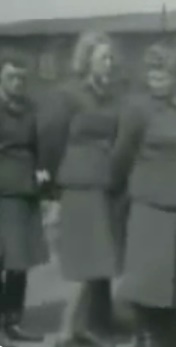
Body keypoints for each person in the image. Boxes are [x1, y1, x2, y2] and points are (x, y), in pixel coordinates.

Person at [114, 43, 176, 347]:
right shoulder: (136, 108)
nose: (155, 80)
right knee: (152, 285)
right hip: (153, 209)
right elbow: (122, 155)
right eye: (151, 73)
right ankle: (149, 337)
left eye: (163, 74)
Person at [39, 31, 122, 347]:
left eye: (112, 58)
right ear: (87, 60)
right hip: (78, 184)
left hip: (104, 184)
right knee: (87, 261)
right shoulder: (68, 95)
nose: (110, 63)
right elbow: (51, 142)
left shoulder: (110, 95)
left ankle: (85, 327)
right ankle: (64, 332)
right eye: (104, 58)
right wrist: (52, 193)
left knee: (100, 261)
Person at [0, 49, 49, 347]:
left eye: (21, 77)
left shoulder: (30, 107)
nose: (17, 82)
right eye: (10, 76)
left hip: (23, 191)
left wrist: (42, 172)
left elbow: (39, 142)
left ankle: (12, 322)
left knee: (18, 261)